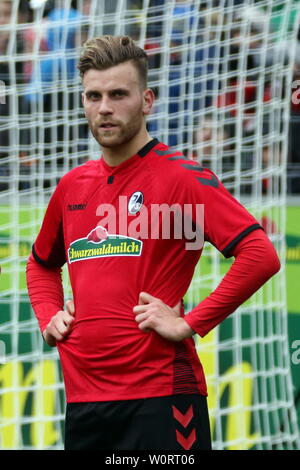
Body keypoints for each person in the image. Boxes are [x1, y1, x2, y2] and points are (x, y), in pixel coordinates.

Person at [26, 35, 280, 451]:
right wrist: (48, 314)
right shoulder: (72, 185)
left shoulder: (183, 177)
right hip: (84, 401)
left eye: (118, 94)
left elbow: (260, 255)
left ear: (147, 101)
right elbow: (40, 264)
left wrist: (190, 323)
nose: (104, 107)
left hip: (162, 398)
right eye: (93, 96)